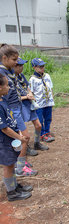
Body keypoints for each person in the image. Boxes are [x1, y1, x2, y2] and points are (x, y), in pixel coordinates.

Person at [0, 44, 38, 177]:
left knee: (20, 138)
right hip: (11, 109)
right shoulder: (2, 73)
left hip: (16, 107)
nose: (17, 62)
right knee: (24, 137)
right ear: (4, 58)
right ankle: (21, 168)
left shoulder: (8, 70)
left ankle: (20, 164)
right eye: (14, 60)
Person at [0, 73, 33, 201]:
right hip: (4, 142)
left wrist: (18, 132)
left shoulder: (3, 100)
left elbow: (11, 120)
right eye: (7, 85)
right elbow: (4, 128)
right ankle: (11, 193)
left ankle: (14, 186)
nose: (9, 88)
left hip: (11, 139)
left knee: (12, 164)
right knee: (8, 166)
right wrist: (20, 138)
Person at [14, 57, 49, 152]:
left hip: (28, 103)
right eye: (19, 65)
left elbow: (27, 86)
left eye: (22, 65)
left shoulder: (21, 76)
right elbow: (11, 98)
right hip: (18, 105)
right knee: (21, 129)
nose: (21, 67)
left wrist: (29, 93)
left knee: (38, 125)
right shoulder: (9, 78)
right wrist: (26, 97)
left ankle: (37, 143)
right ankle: (25, 147)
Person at [29, 58, 55, 142]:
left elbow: (50, 88)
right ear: (34, 68)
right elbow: (31, 92)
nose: (42, 68)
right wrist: (33, 103)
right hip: (39, 104)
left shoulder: (47, 76)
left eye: (43, 66)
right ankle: (42, 134)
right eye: (40, 67)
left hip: (48, 102)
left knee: (48, 118)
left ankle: (47, 132)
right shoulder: (32, 79)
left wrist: (52, 98)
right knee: (40, 120)